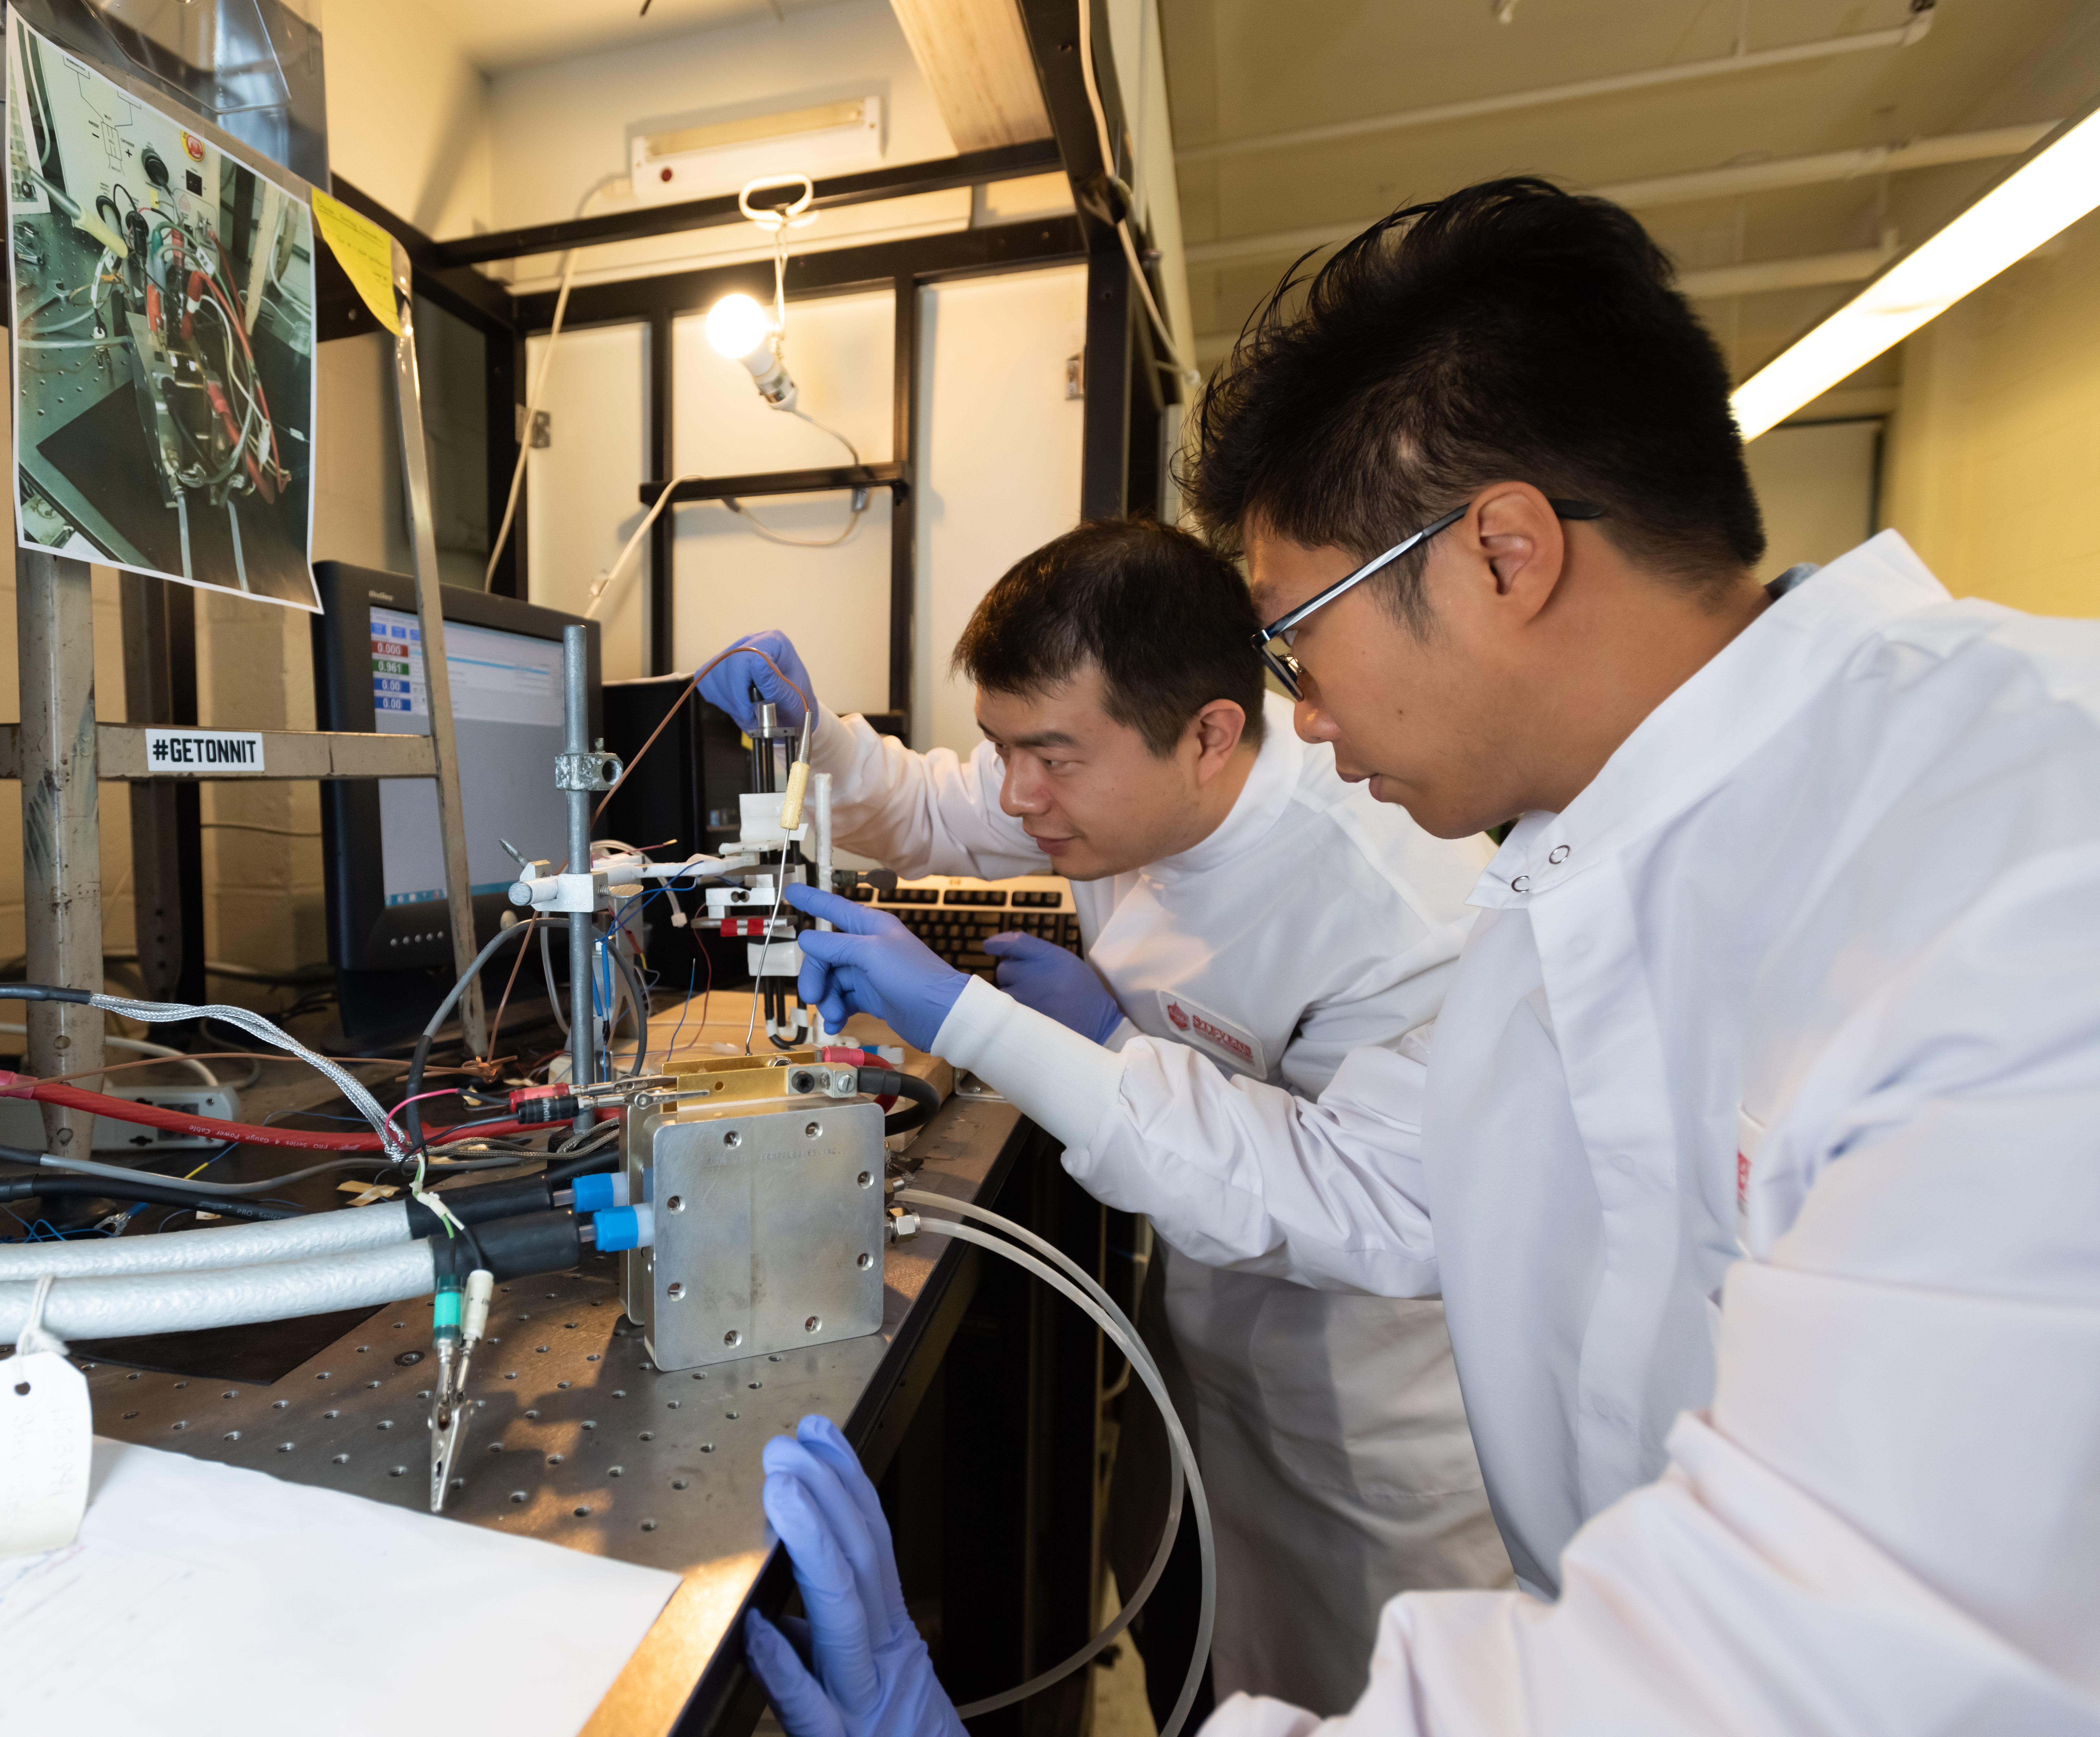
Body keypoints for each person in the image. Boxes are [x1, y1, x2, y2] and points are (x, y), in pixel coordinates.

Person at [752, 176, 2100, 1735]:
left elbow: (1812, 1667)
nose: (1302, 716)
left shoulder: (2022, 850)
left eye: (1292, 636)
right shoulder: (1570, 855)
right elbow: (1392, 1186)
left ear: (1504, 556)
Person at [695, 518, 1510, 1713]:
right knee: (1182, 1637)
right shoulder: (1105, 784)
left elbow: (1356, 1207)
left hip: (1368, 1444)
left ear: (1211, 736)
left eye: (1054, 759)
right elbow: (925, 809)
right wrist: (814, 734)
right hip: (1205, 1355)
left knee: (1336, 1698)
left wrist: (1056, 1036)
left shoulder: (1390, 901)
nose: (1020, 796)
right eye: (1001, 746)